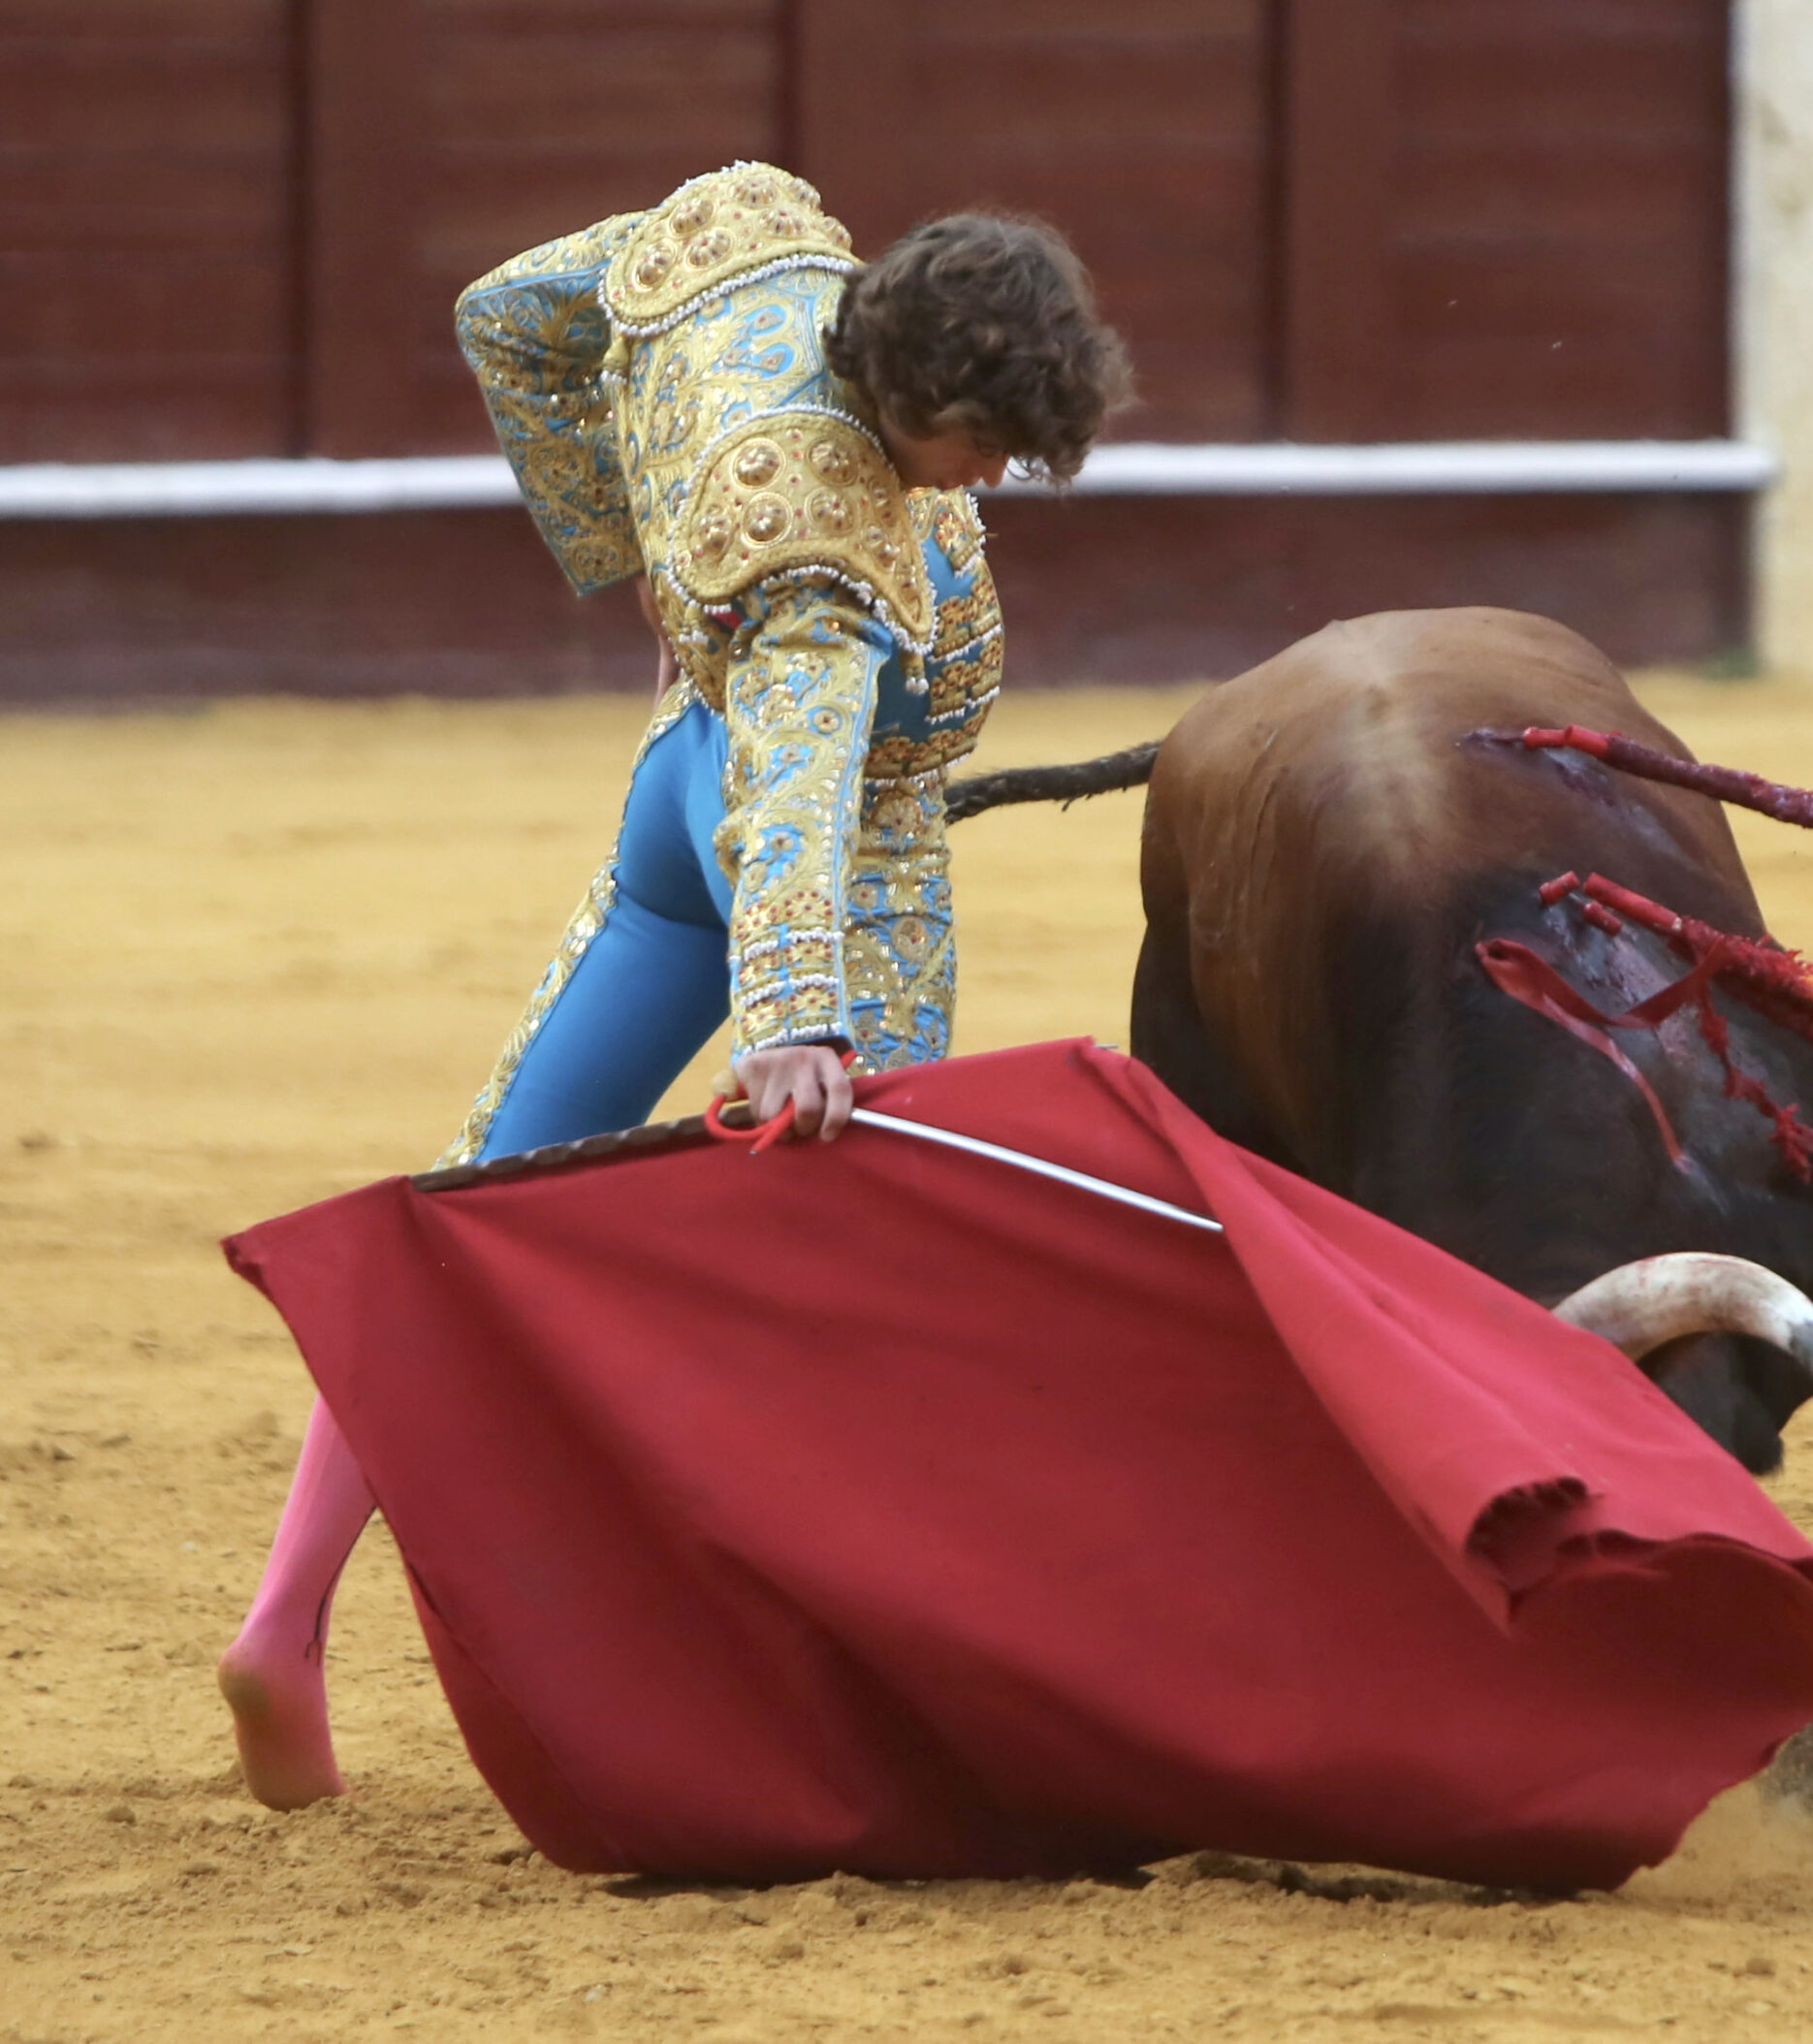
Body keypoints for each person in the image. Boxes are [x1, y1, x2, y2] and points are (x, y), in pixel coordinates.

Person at [217, 161, 1131, 1808]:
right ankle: (846, 1668)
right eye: (982, 445)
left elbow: (508, 321)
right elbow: (795, 785)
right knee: (886, 1253)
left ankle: (280, 1625)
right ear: (913, 393)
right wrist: (797, 1015)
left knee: (475, 1192)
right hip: (825, 858)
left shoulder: (755, 252)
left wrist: (632, 554)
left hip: (670, 802)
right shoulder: (828, 557)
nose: (995, 475)